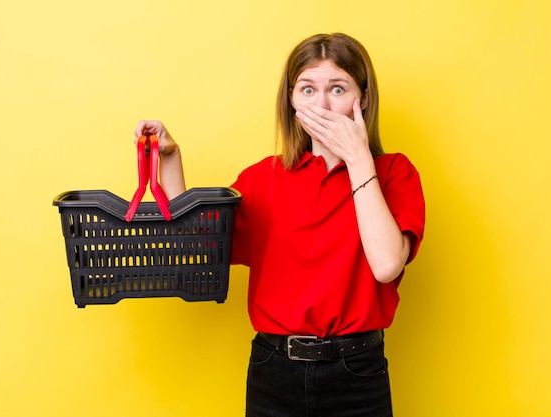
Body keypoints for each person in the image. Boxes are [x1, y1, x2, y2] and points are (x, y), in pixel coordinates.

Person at [135, 33, 425, 417]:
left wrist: (357, 159)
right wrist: (170, 159)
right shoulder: (263, 178)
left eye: (337, 88)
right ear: (291, 100)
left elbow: (387, 265)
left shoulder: (394, 173)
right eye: (307, 89)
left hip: (357, 372)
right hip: (274, 371)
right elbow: (197, 243)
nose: (321, 104)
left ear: (364, 98)